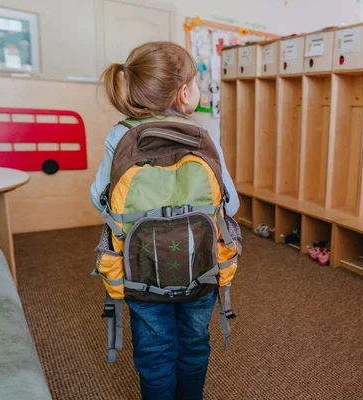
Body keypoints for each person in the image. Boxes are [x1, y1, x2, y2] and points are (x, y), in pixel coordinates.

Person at [90, 41, 239, 400]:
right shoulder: (204, 136)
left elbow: (99, 199)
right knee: (193, 345)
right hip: (200, 266)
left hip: (140, 271)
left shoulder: (119, 134)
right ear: (184, 92)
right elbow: (229, 206)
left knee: (155, 355)